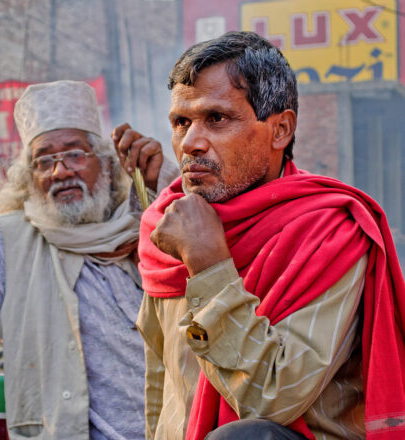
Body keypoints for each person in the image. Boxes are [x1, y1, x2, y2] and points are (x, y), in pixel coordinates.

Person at [129, 31, 405, 440]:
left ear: (280, 130)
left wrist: (209, 267)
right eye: (180, 122)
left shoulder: (329, 233)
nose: (190, 143)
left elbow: (274, 399)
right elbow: (163, 385)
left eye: (216, 119)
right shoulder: (168, 227)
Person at [0, 80, 179, 439]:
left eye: (74, 154)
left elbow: (215, 276)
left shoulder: (148, 223)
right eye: (44, 161)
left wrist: (164, 181)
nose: (60, 172)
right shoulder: (5, 241)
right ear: (29, 178)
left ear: (105, 163)